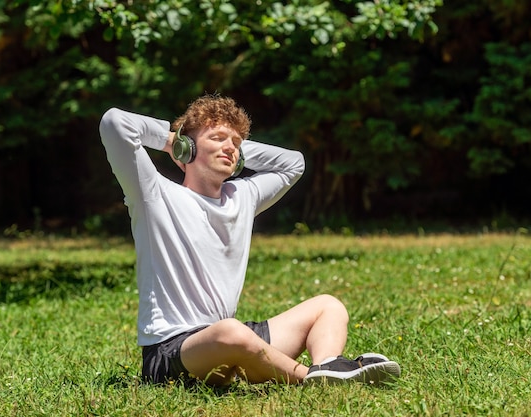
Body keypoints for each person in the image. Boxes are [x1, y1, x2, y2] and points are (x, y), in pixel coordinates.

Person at [99, 94, 400, 386]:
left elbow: (293, 163)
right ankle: (310, 378)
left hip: (229, 339)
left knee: (328, 305)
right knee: (230, 332)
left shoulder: (242, 197)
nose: (230, 147)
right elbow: (115, 123)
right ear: (186, 147)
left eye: (236, 143)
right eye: (217, 138)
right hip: (172, 352)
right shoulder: (154, 194)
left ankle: (329, 364)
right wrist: (175, 142)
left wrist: (233, 146)